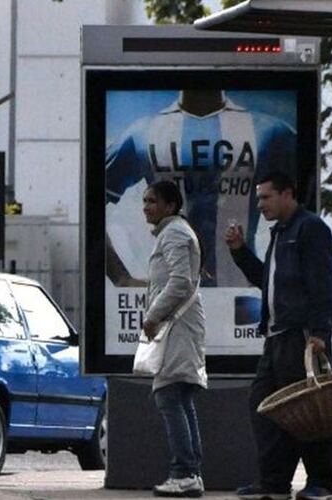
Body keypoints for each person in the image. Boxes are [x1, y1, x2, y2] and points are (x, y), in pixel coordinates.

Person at [225, 171, 332, 500]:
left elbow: (323, 281)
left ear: (288, 194)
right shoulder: (281, 232)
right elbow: (268, 282)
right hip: (277, 337)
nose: (260, 204)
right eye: (259, 198)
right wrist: (240, 252)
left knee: (312, 411)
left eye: (266, 197)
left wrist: (320, 331)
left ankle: (321, 482)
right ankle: (274, 482)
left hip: (302, 336)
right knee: (265, 406)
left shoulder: (310, 228)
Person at [105, 89, 297, 287]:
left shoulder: (271, 132)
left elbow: (303, 213)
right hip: (170, 297)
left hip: (242, 295)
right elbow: (90, 201)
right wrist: (121, 277)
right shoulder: (143, 133)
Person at [141, 180, 208, 498]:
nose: (146, 207)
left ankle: (184, 472)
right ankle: (190, 472)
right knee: (179, 396)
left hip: (177, 327)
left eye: (152, 201)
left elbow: (180, 281)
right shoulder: (172, 233)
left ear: (170, 205)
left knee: (169, 395)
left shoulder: (175, 233)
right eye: (144, 201)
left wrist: (152, 315)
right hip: (179, 326)